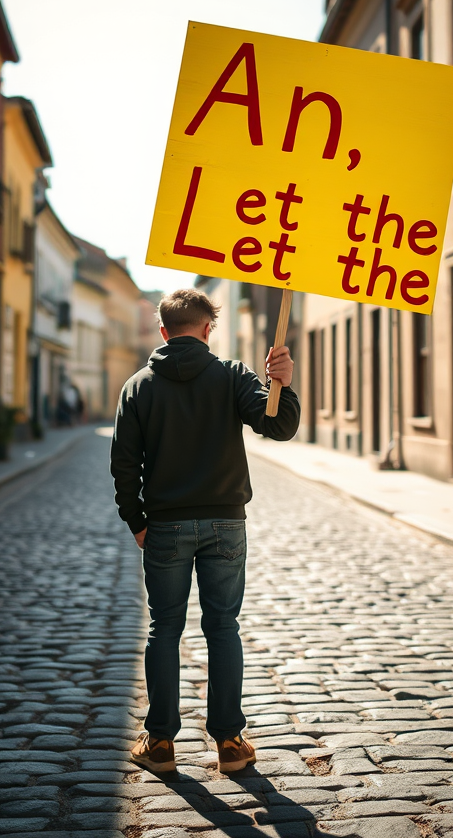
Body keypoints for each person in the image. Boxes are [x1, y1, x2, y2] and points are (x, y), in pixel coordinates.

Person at [110, 288, 300, 774]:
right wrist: (283, 383)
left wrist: (136, 522)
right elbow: (276, 427)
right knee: (223, 629)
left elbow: (124, 465)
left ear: (163, 330)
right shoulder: (232, 376)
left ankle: (160, 744)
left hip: (166, 526)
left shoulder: (137, 386)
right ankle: (230, 743)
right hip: (225, 523)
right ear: (208, 328)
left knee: (164, 629)